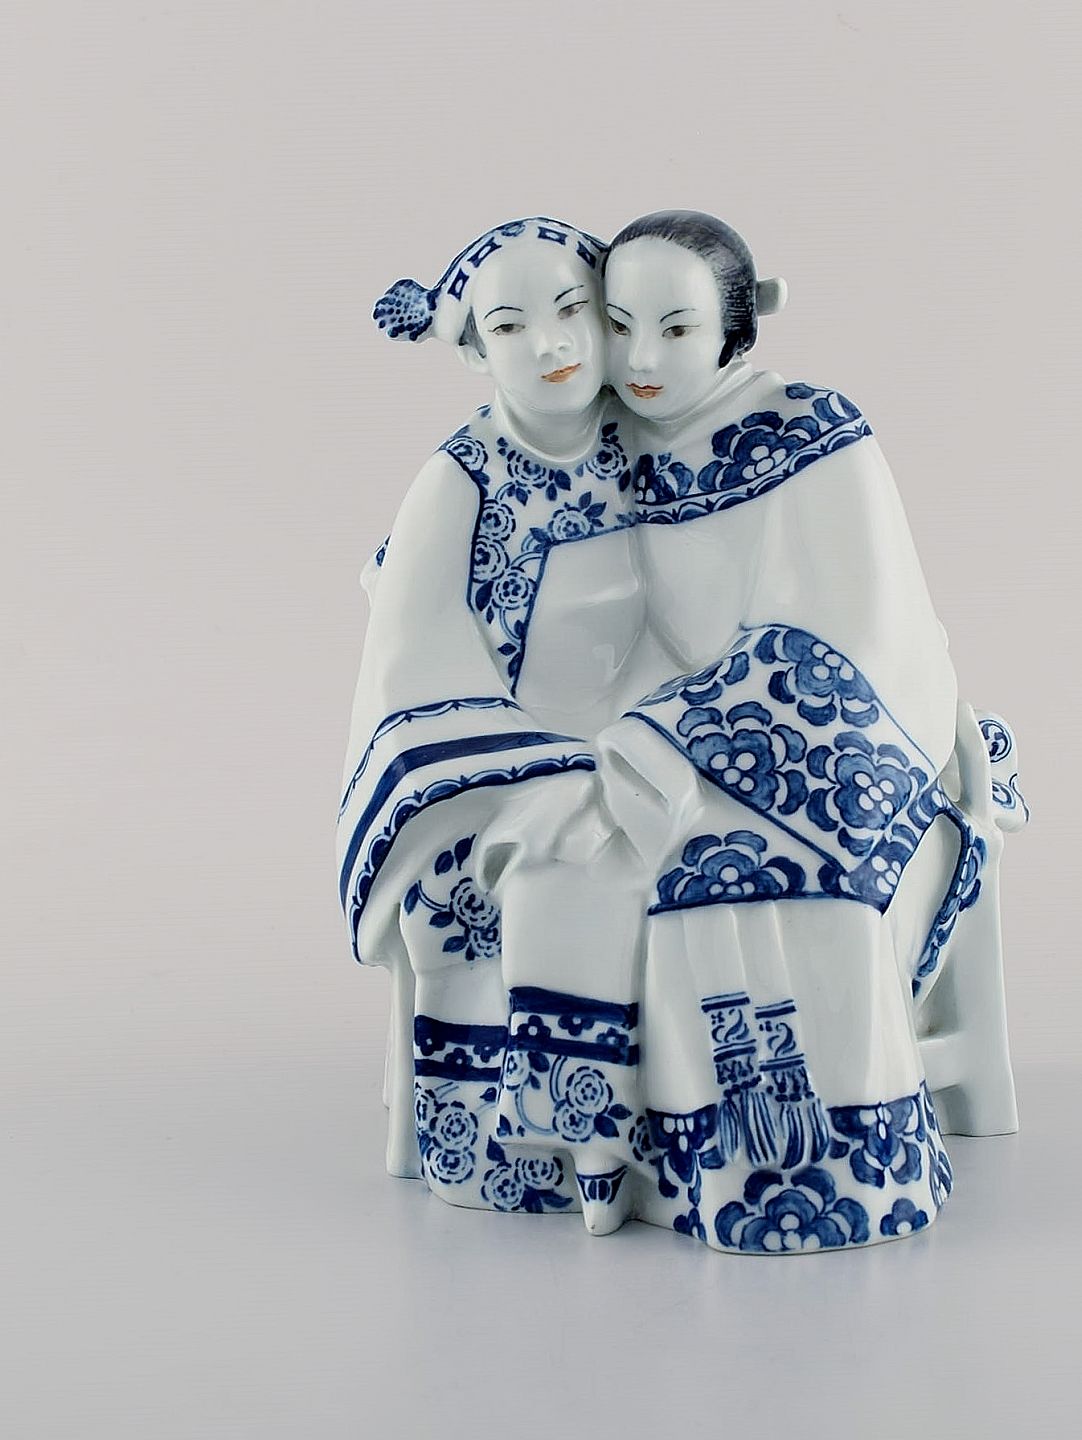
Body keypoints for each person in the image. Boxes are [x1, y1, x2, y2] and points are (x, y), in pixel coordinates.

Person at [488, 212, 979, 1250]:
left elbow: (852, 629)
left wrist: (662, 749)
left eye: (676, 329)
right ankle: (599, 1150)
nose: (642, 360)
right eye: (619, 326)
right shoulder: (607, 448)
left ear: (739, 327)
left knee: (729, 880)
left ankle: (813, 1173)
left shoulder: (812, 429)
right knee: (556, 859)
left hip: (834, 736)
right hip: (670, 736)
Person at [338, 217, 653, 1212]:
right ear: (474, 350)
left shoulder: (654, 442)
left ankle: (675, 1136)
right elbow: (412, 663)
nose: (551, 345)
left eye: (570, 310)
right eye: (510, 326)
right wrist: (540, 767)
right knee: (521, 870)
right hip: (484, 761)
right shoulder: (457, 482)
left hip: (641, 740)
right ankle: (498, 1142)